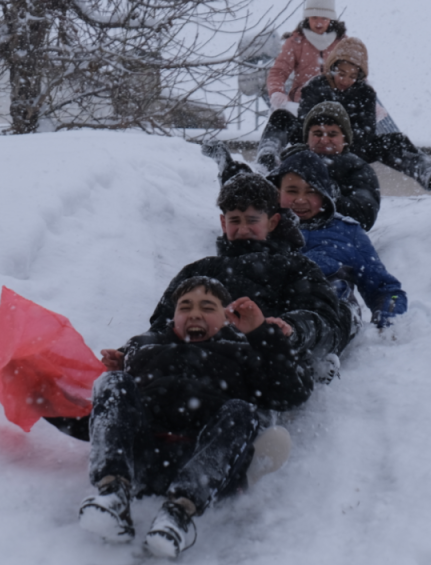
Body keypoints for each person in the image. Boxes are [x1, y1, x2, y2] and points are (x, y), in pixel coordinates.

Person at [79, 276, 310, 558]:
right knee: (112, 383)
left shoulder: (243, 351)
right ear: (173, 316)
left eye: (208, 307)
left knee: (242, 410)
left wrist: (262, 335)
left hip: (204, 459)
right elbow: (113, 410)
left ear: (227, 318)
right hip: (144, 454)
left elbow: (289, 394)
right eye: (185, 307)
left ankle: (180, 512)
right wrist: (120, 366)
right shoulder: (145, 348)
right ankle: (112, 491)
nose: (195, 313)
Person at [147, 172, 351, 381]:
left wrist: (292, 328)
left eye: (252, 220)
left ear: (272, 222)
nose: (243, 229)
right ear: (223, 223)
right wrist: (138, 349)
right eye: (235, 220)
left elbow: (326, 324)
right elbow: (162, 324)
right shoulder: (199, 270)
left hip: (270, 369)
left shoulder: (296, 267)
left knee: (341, 310)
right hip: (203, 368)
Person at [267, 149, 407, 336]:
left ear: (324, 195)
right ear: (277, 191)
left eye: (311, 191)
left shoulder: (347, 232)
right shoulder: (262, 228)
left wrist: (389, 319)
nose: (300, 200)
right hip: (272, 315)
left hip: (332, 315)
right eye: (292, 191)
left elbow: (386, 289)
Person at [296, 37, 431, 193]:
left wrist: (343, 142)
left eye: (352, 76)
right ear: (332, 68)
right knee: (285, 122)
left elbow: (367, 132)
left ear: (359, 76)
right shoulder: (315, 86)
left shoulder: (365, 93)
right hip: (316, 145)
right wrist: (327, 138)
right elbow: (304, 123)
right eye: (342, 74)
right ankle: (282, 167)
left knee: (395, 142)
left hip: (352, 148)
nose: (345, 80)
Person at [205, 101, 381, 230]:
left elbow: (365, 215)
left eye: (332, 134)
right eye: (317, 133)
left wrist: (326, 194)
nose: (324, 139)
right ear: (307, 137)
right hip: (281, 231)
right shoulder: (295, 160)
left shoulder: (357, 168)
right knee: (247, 187)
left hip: (328, 235)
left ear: (345, 139)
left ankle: (258, 165)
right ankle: (242, 167)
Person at [256, 0, 347, 170]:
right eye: (314, 18)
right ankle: (268, 153)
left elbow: (356, 76)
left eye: (324, 18)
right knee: (280, 118)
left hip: (334, 108)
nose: (318, 23)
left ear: (331, 19)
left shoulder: (343, 44)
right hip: (300, 108)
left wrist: (369, 101)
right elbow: (278, 71)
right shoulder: (296, 41)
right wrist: (276, 91)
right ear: (307, 18)